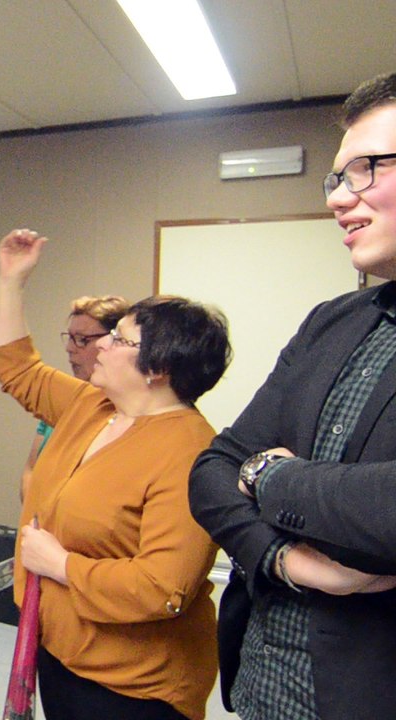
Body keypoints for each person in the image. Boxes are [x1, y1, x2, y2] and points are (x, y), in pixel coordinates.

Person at [189, 72, 396, 720]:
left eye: (366, 169)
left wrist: (271, 477)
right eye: (337, 177)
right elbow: (213, 467)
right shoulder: (333, 321)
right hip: (262, 685)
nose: (338, 197)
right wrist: (283, 558)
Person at [0, 228, 229, 720]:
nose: (100, 347)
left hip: (135, 685)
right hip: (62, 650)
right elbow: (17, 369)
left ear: (157, 367)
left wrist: (60, 565)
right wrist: (11, 281)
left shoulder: (189, 452)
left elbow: (162, 587)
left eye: (119, 339)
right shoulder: (93, 406)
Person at [20, 296, 128, 500]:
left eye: (82, 340)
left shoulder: (124, 411)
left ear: (113, 343)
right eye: (70, 338)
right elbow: (31, 469)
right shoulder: (65, 402)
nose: (70, 348)